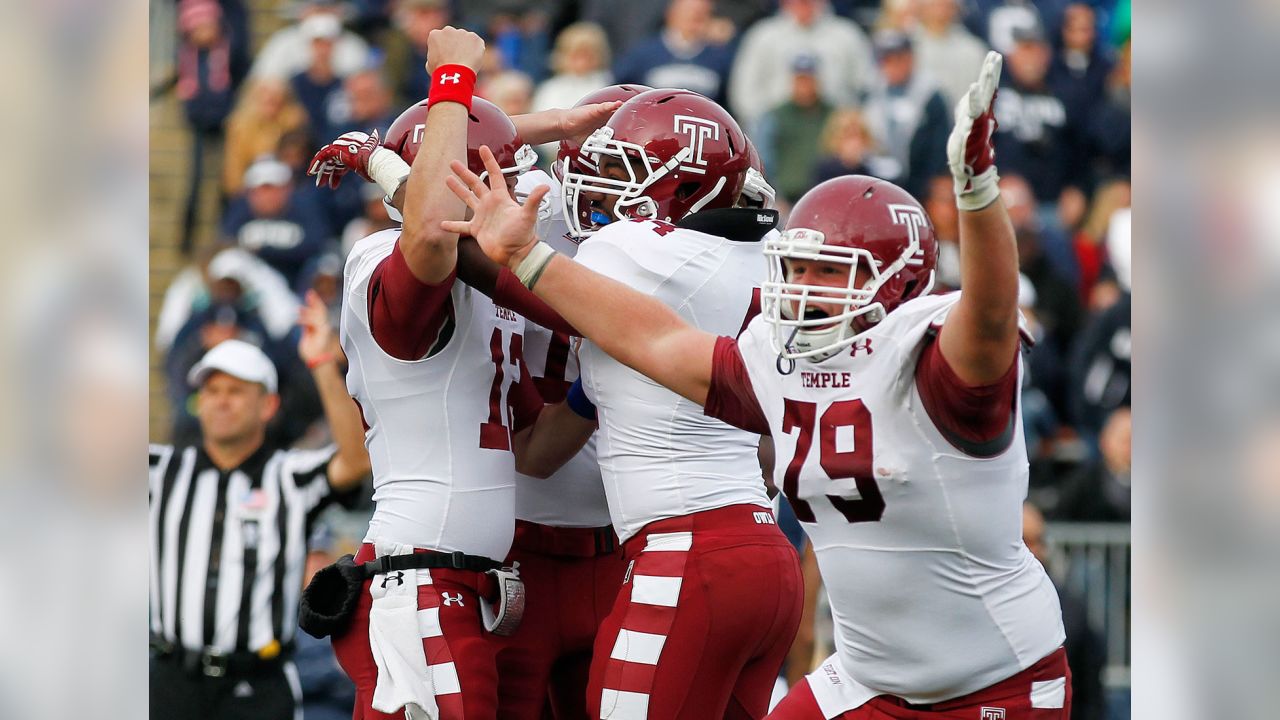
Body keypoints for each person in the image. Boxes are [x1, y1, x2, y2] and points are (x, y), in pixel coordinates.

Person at [451, 51, 1071, 719]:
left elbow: (988, 315)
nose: (800, 288)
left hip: (990, 680)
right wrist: (527, 256)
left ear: (896, 282)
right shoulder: (782, 365)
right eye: (796, 267)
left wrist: (976, 196)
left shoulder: (931, 362)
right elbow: (656, 341)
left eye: (827, 273)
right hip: (864, 676)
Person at [449, 88, 805, 719]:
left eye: (619, 172)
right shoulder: (765, 256)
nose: (595, 186)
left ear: (687, 184)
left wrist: (393, 166)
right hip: (763, 548)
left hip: (687, 551)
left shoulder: (640, 252)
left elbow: (469, 252)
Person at [306, 30, 614, 720]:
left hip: (465, 586)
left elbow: (534, 451)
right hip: (417, 581)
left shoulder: (481, 289)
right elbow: (431, 229)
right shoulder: (385, 258)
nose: (509, 190)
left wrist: (608, 376)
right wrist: (450, 77)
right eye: (491, 176)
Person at [149, 296, 372, 720]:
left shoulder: (290, 475)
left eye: (235, 390)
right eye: (211, 390)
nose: (221, 401)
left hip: (259, 685)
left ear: (268, 405)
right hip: (170, 680)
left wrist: (323, 361)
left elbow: (355, 461)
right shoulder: (161, 469)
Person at [728, 0, 874, 137]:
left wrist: (849, 119)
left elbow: (868, 87)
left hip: (833, 127)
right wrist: (767, 118)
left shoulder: (847, 34)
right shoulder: (763, 35)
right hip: (778, 127)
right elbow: (743, 94)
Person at [1023, 502, 1106, 720]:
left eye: (1038, 541)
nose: (1035, 551)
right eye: (1024, 541)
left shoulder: (1070, 609)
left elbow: (1090, 693)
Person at [221, 156, 336, 292]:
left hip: (298, 283)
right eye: (261, 190)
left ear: (287, 189)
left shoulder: (304, 209)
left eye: (273, 189)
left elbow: (317, 244)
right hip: (252, 293)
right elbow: (225, 245)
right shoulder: (239, 211)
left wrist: (265, 250)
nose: (267, 197)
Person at [860, 29, 951, 197]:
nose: (894, 66)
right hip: (874, 178)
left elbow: (940, 142)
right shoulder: (869, 93)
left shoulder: (930, 94)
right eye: (888, 60)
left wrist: (929, 179)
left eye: (899, 58)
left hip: (920, 180)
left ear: (911, 59)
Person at [612, 0, 736, 104]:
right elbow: (617, 87)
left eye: (702, 13)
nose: (695, 16)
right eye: (689, 11)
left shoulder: (719, 55)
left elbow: (729, 100)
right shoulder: (644, 52)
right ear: (671, 14)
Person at [759, 54, 833, 205]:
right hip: (787, 196)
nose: (805, 85)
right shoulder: (776, 115)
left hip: (825, 193)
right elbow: (765, 160)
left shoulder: (832, 113)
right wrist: (776, 196)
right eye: (800, 79)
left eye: (809, 79)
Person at [911, 0, 990, 107]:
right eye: (935, 4)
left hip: (963, 118)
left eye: (945, 4)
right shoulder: (906, 47)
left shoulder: (973, 49)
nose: (940, 8)